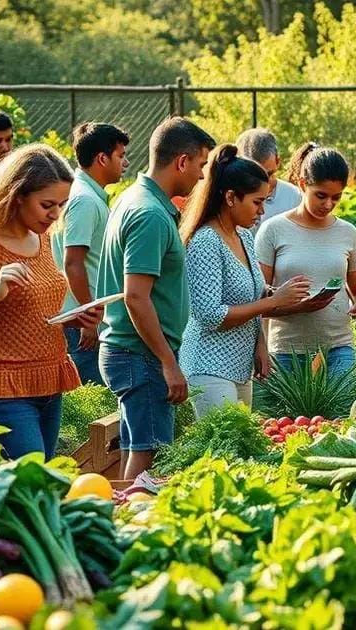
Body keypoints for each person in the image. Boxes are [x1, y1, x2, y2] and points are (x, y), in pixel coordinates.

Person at [0, 145, 100, 459]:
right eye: (47, 205)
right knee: (31, 482)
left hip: (48, 384)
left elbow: (29, 311)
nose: (55, 215)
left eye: (62, 205)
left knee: (40, 487)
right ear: (16, 196)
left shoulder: (41, 238)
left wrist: (74, 317)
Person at [98, 117, 215, 480]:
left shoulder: (138, 200)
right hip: (141, 353)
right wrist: (168, 361)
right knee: (148, 456)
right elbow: (136, 297)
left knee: (138, 447)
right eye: (200, 164)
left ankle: (122, 516)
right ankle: (133, 525)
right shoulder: (149, 213)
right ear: (182, 161)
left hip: (138, 351)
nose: (200, 176)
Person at [178, 145, 312, 417]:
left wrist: (260, 345)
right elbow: (210, 315)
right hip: (209, 364)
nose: (262, 211)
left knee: (240, 450)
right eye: (257, 202)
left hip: (239, 365)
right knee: (221, 451)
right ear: (230, 197)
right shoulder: (205, 242)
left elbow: (254, 296)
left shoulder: (245, 237)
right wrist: (275, 301)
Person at [255, 143, 356, 378]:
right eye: (320, 195)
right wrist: (299, 307)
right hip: (286, 353)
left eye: (336, 197)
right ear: (302, 184)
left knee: (342, 415)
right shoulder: (273, 230)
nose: (328, 204)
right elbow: (257, 301)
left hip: (339, 350)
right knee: (286, 416)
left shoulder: (347, 232)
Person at [53, 122, 130, 386]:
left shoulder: (87, 195)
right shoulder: (84, 199)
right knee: (89, 412)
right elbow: (73, 262)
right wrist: (90, 318)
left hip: (85, 319)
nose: (126, 163)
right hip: (82, 323)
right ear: (102, 158)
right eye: (121, 156)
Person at [235, 128, 302, 227]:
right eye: (253, 178)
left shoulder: (295, 197)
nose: (263, 185)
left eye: (269, 175)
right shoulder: (230, 199)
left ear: (278, 161)